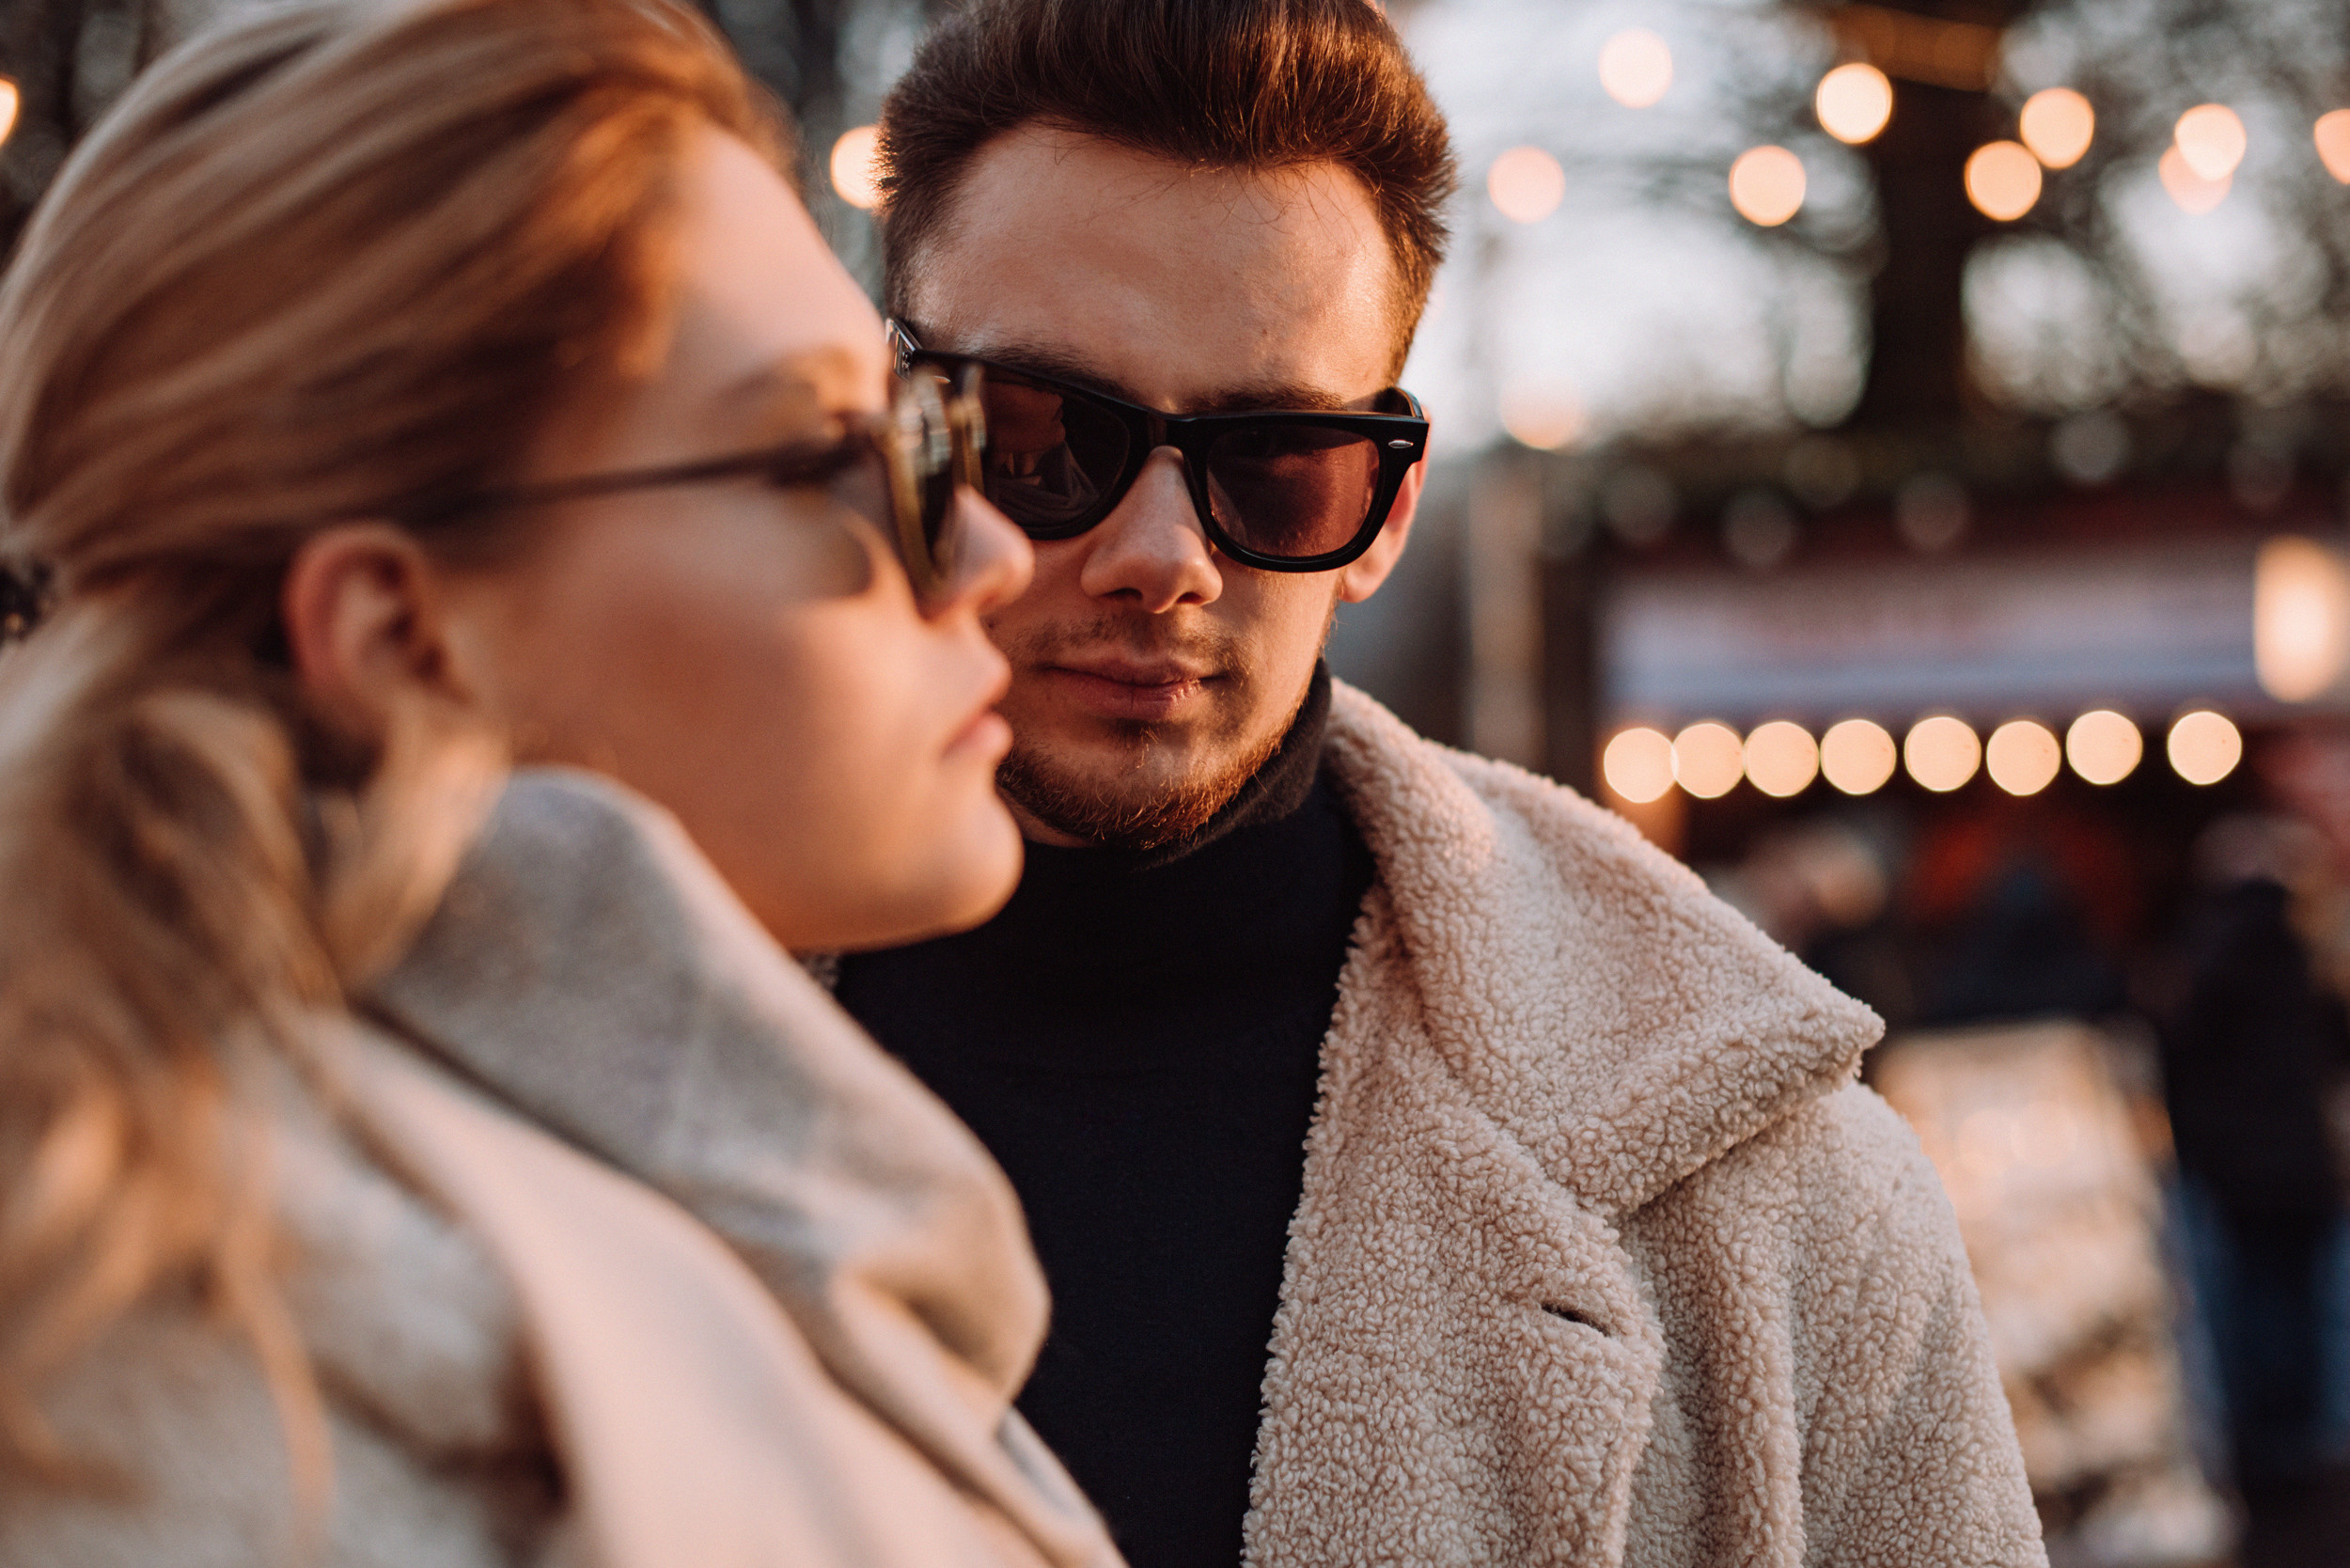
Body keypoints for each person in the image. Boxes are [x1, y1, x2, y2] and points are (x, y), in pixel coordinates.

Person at [837, 2, 2046, 1563]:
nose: (1160, 558)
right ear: (893, 428)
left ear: (1388, 503)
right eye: (1040, 436)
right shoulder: (541, 1037)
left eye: (1276, 459)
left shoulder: (1771, 1193)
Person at [0, 2, 1121, 1564]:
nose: (991, 555)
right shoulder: (217, 1420)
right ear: (399, 634)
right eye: (820, 459)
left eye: (924, 439)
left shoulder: (513, 1234)